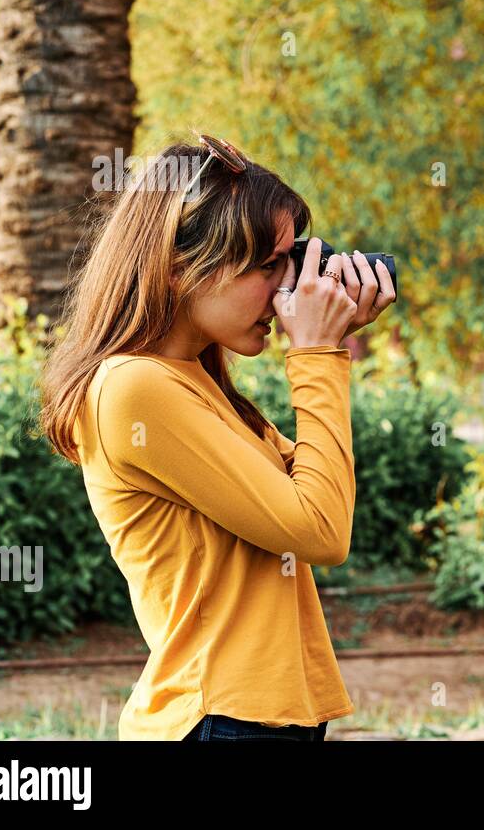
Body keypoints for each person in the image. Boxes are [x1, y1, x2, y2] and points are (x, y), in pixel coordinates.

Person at [38, 134, 396, 740]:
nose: (285, 290)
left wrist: (325, 339)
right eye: (267, 267)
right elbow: (321, 530)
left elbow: (317, 488)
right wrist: (316, 352)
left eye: (292, 263)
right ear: (180, 266)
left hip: (257, 718)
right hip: (218, 720)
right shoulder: (134, 388)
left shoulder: (196, 384)